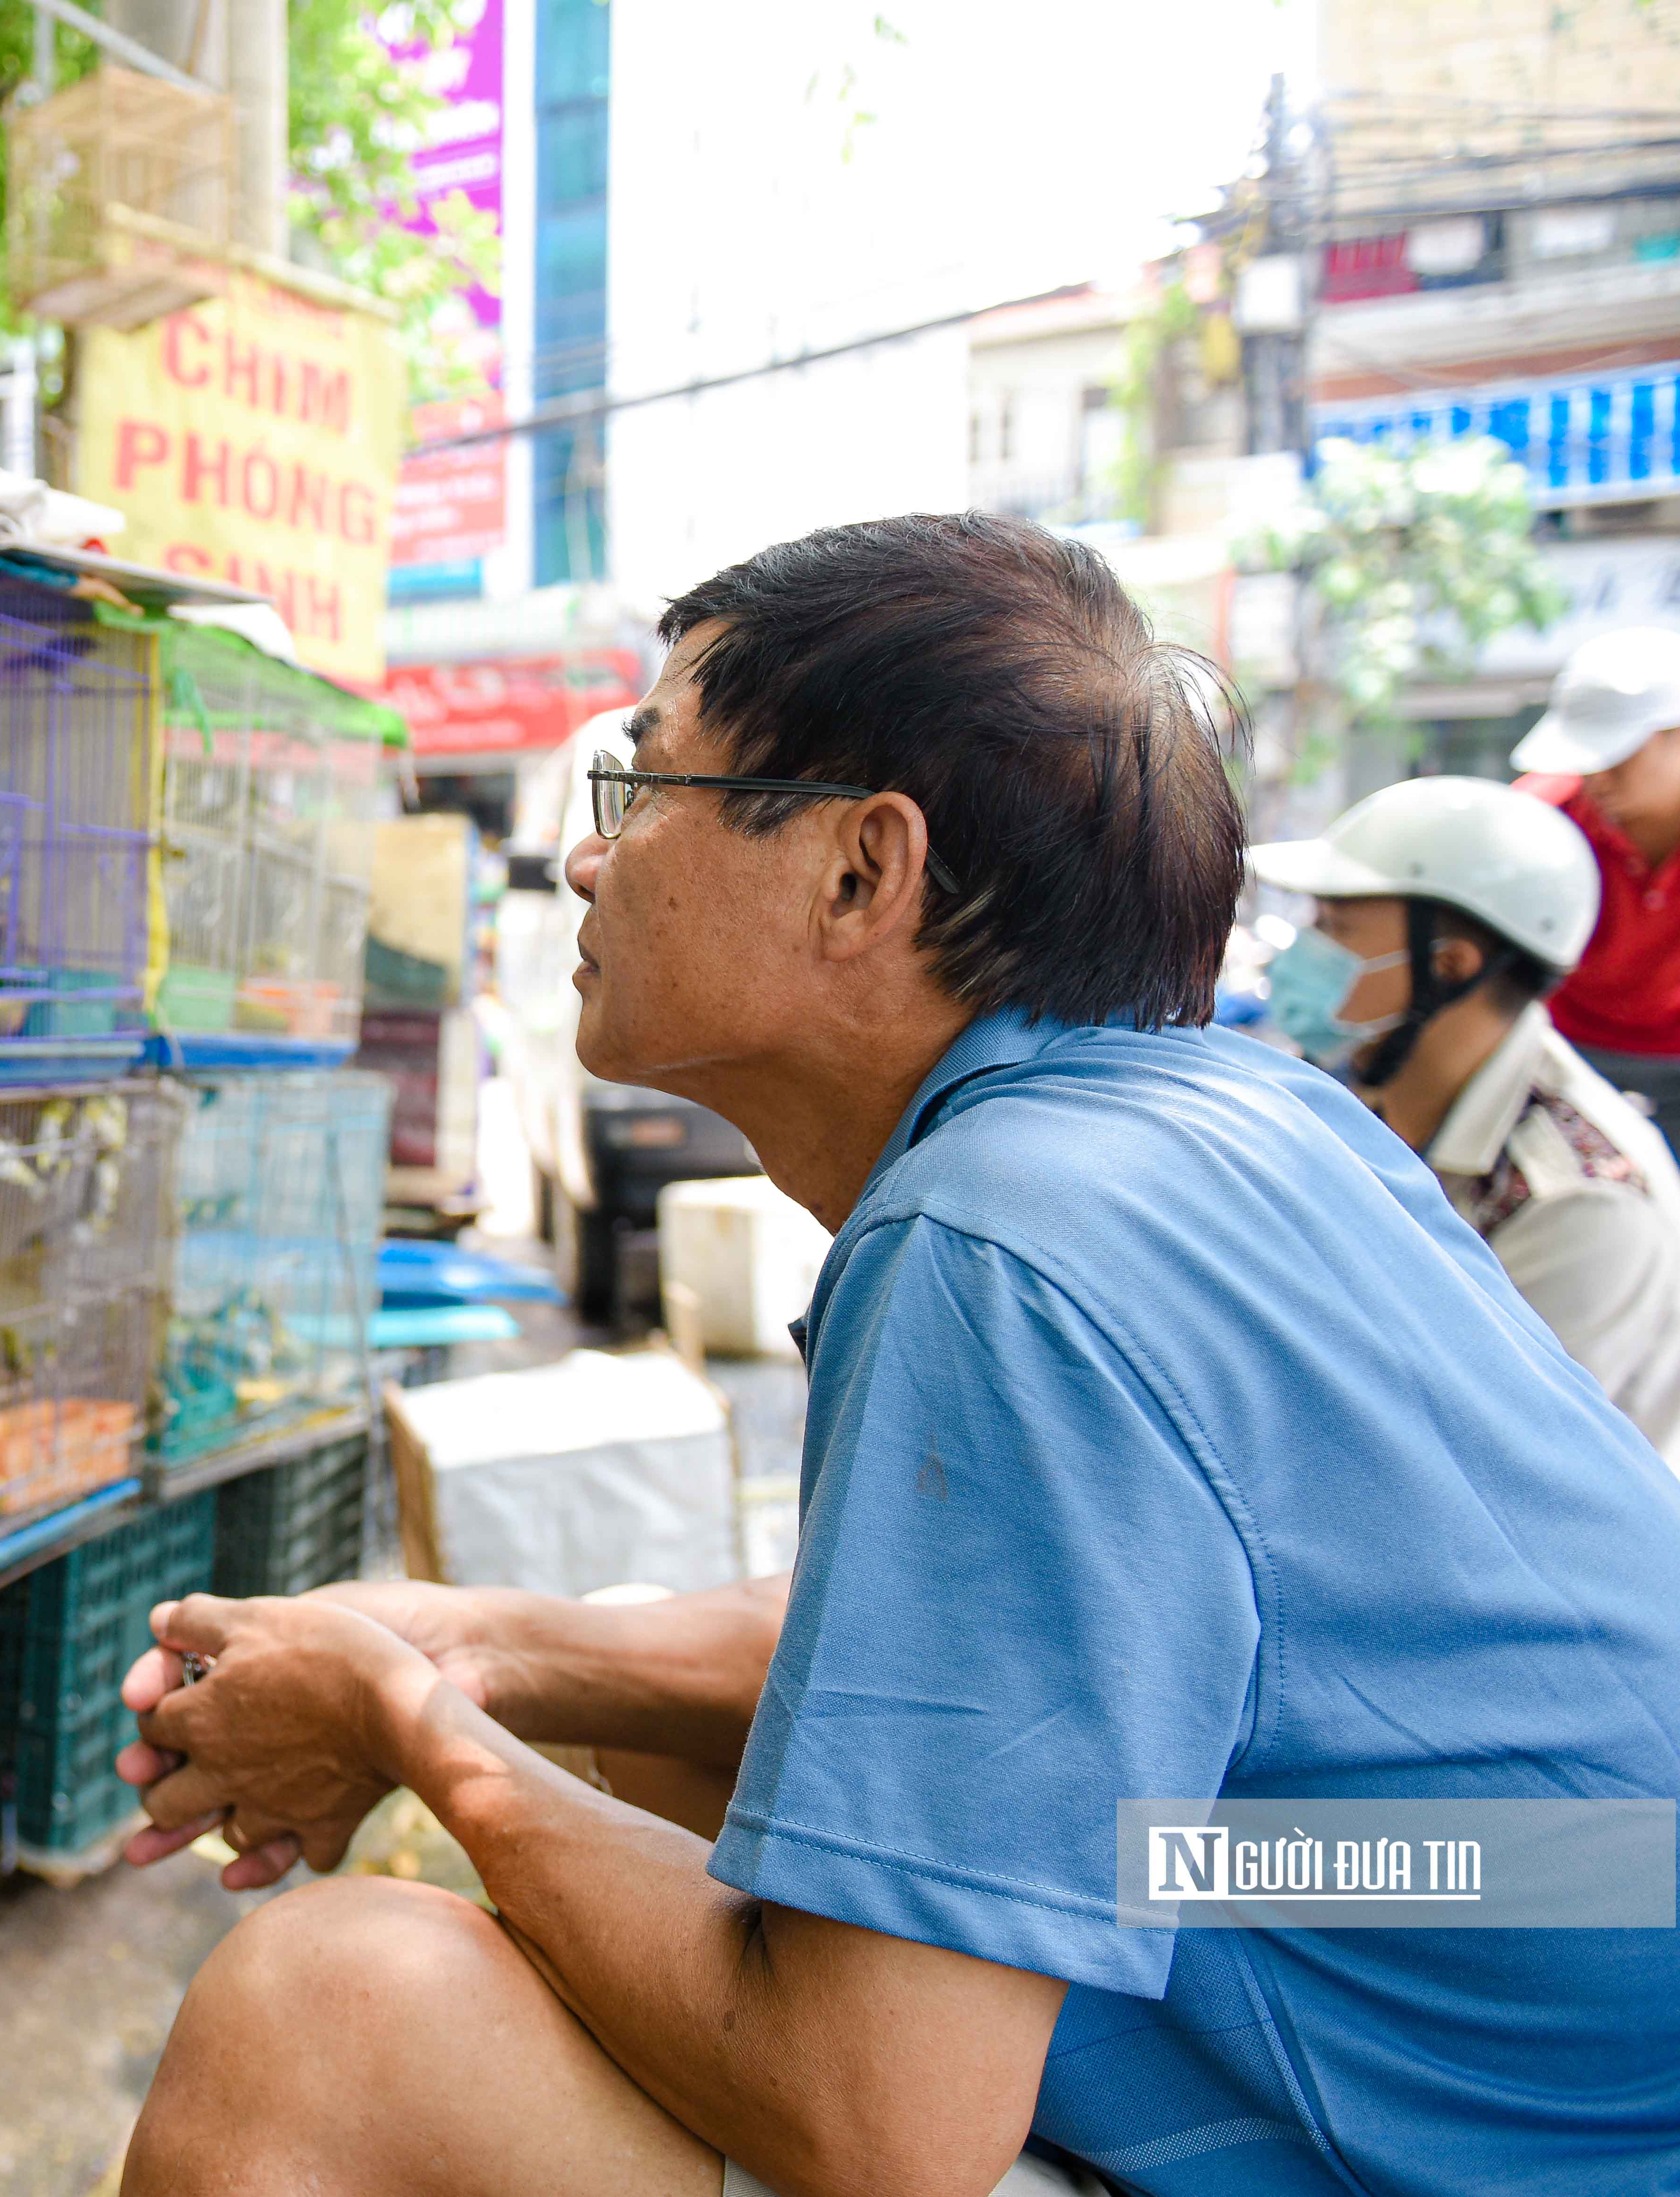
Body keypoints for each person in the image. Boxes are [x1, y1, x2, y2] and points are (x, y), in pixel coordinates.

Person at [110, 514, 1680, 2197]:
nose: (583, 860)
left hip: (1509, 2074)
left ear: (862, 868)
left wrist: (410, 1721)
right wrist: (475, 1643)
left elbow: (880, 2128)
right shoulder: (1224, 1117)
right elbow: (948, 1660)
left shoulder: (998, 1243)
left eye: (637, 791)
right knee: (720, 1760)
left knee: (334, 2008)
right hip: (1473, 1893)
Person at [1251, 775, 1680, 1463]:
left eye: (1334, 928)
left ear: (1448, 966)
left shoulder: (1579, 1202)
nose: (1301, 953)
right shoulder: (1360, 1093)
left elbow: (1475, 1463)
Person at [1511, 625, 1680, 1119]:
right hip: (1561, 1053)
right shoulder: (1538, 816)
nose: (1595, 777)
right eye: (1582, 757)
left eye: (1614, 754)